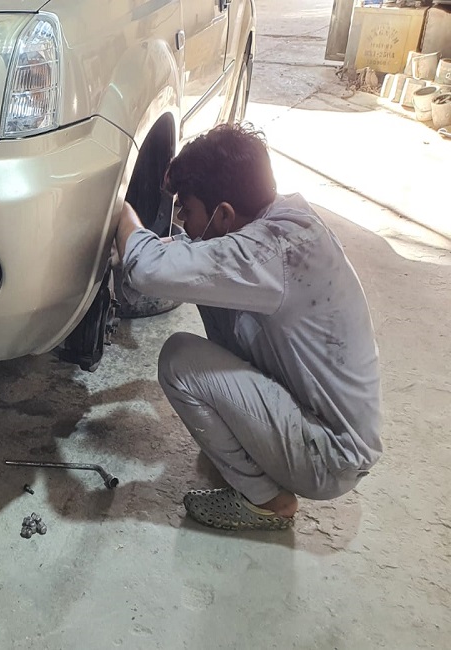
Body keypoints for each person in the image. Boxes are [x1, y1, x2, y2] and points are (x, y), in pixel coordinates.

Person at [115, 123, 381, 531]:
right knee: (202, 276)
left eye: (187, 209)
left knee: (179, 360)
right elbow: (189, 257)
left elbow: (148, 270)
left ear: (223, 213)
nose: (180, 218)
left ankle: (270, 502)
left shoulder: (273, 252)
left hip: (330, 455)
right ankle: (255, 447)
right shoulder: (279, 221)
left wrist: (119, 210)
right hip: (319, 417)